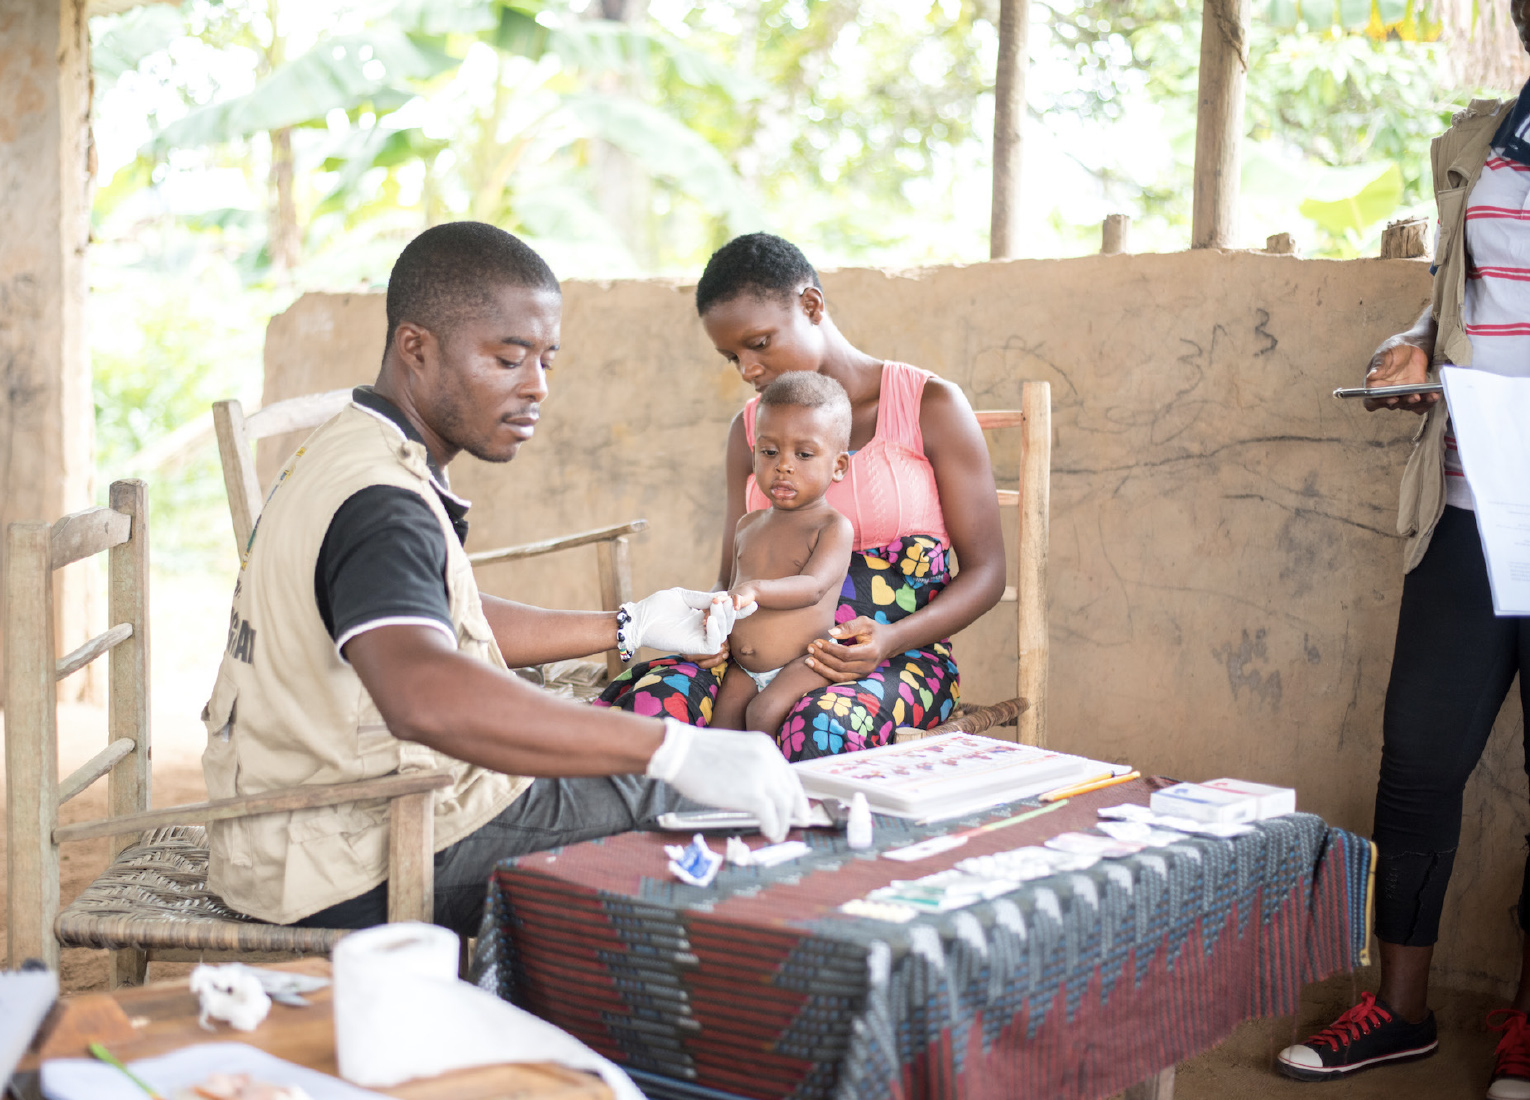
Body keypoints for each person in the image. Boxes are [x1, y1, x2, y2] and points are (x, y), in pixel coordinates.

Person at [200, 222, 808, 938]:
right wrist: (674, 751)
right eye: (508, 358)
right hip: (363, 855)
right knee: (685, 810)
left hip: (300, 832)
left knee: (635, 761)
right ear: (416, 348)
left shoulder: (352, 446)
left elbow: (427, 614)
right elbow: (422, 693)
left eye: (546, 359)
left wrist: (631, 624)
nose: (537, 386)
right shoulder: (381, 503)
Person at [1276, 11, 1530, 1096]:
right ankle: (1402, 1006)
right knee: (1417, 762)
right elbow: (1466, 295)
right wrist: (1419, 346)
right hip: (1477, 501)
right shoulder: (1484, 141)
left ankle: (1527, 1026)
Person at [598, 232, 1006, 760]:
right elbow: (731, 571)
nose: (747, 369)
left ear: (811, 304)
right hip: (755, 657)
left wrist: (889, 640)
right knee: (654, 702)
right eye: (732, 357)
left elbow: (987, 572)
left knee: (817, 725)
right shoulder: (749, 432)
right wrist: (717, 629)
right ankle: (684, 841)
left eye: (759, 343)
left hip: (896, 657)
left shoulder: (928, 405)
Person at [709, 372, 854, 736]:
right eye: (769, 451)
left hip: (805, 661)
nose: (783, 465)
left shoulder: (832, 527)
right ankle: (731, 793)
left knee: (763, 713)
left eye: (803, 454)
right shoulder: (748, 525)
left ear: (838, 466)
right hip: (744, 666)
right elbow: (729, 589)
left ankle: (778, 793)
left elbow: (813, 587)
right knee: (722, 726)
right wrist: (713, 627)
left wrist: (756, 590)